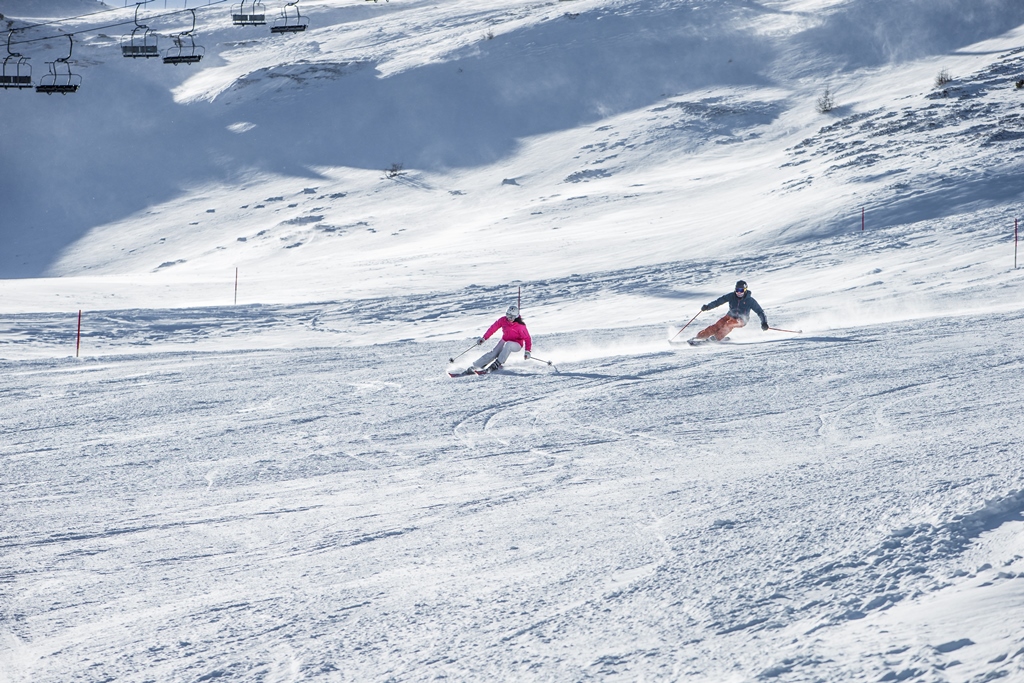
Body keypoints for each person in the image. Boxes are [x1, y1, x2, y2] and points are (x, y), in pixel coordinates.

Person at [693, 280, 768, 342]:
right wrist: (708, 307)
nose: (739, 292)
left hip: (741, 320)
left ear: (745, 290)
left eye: (741, 290)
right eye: (737, 290)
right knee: (717, 326)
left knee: (729, 324)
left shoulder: (750, 301)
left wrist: (764, 322)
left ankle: (716, 338)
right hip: (730, 315)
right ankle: (700, 337)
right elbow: (718, 301)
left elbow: (760, 312)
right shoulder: (731, 296)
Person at [471, 304, 532, 371]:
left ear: (516, 317)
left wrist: (527, 351)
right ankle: (476, 366)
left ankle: (497, 363)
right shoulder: (503, 320)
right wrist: (484, 338)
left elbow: (527, 338)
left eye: (511, 317)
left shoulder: (520, 326)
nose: (509, 318)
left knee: (508, 344)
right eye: (508, 315)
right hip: (505, 340)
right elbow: (493, 328)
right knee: (494, 353)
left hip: (517, 344)